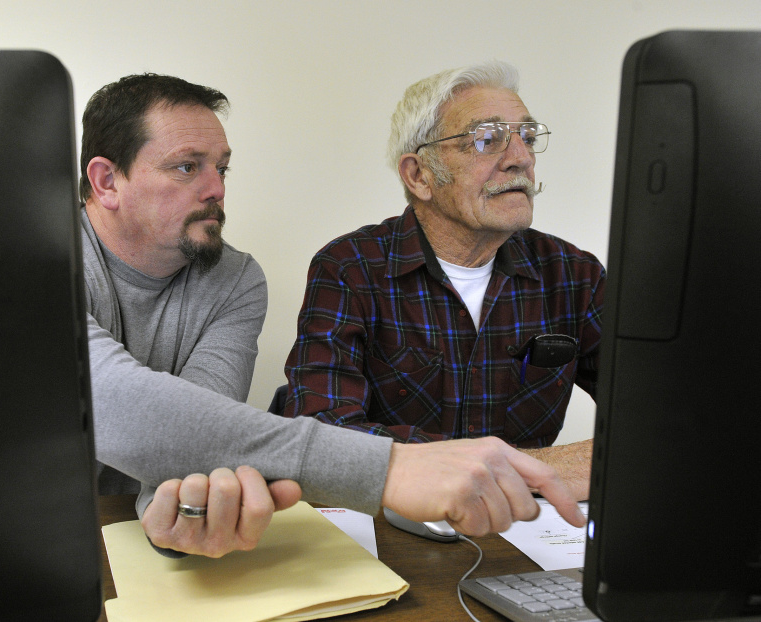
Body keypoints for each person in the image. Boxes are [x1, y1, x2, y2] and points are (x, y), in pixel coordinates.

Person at [81, 73, 586, 558]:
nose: (217, 189)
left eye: (223, 168)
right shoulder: (22, 260)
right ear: (106, 182)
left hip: (135, 545)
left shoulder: (233, 279)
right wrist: (394, 470)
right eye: (187, 166)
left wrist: (176, 515)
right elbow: (110, 402)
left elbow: (198, 433)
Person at [283, 61, 602, 502]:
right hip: (397, 528)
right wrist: (531, 469)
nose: (521, 158)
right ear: (419, 176)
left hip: (527, 533)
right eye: (487, 139)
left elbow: (659, 407)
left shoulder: (572, 273)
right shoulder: (351, 267)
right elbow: (324, 436)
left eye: (527, 137)